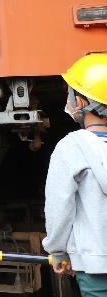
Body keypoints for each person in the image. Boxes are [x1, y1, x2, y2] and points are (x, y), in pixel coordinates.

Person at [43, 53, 107, 297]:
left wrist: (58, 251)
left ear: (80, 102)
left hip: (95, 266)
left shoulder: (72, 147)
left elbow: (60, 207)